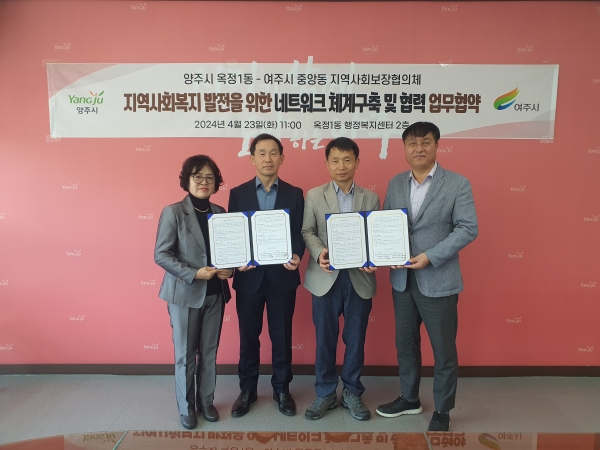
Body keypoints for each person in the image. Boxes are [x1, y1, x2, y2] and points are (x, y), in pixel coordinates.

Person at [376, 122, 478, 431]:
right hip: (402, 281)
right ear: (404, 148)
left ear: (436, 146)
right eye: (412, 143)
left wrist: (430, 256)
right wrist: (383, 254)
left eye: (425, 142)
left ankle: (443, 410)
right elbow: (385, 223)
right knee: (405, 345)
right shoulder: (395, 183)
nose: (418, 148)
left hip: (439, 279)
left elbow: (468, 228)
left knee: (443, 351)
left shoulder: (457, 183)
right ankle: (410, 399)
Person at [301, 137, 379, 421]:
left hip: (359, 279)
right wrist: (319, 252)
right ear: (327, 164)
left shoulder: (371, 198)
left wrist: (373, 258)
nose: (341, 166)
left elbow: (375, 235)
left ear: (357, 162)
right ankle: (325, 393)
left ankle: (352, 392)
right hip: (325, 277)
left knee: (355, 339)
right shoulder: (314, 195)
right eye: (335, 160)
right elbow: (307, 231)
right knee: (325, 339)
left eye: (347, 160)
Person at [228, 133, 305, 417]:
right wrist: (238, 260)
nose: (268, 158)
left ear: (281, 158)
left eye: (273, 153)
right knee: (248, 337)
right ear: (252, 159)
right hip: (249, 278)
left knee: (282, 337)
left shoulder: (295, 193)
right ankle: (247, 389)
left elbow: (299, 232)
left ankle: (282, 390)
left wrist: (297, 254)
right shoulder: (238, 193)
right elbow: (234, 232)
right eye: (261, 153)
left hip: (282, 277)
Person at [154, 155, 233, 430]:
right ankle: (186, 408)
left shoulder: (221, 213)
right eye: (198, 176)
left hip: (215, 293)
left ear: (216, 183)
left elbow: (229, 253)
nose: (203, 182)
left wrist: (230, 270)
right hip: (185, 295)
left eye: (209, 177)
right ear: (187, 180)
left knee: (209, 352)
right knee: (186, 355)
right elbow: (161, 254)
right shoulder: (173, 212)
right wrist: (194, 273)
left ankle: (206, 402)